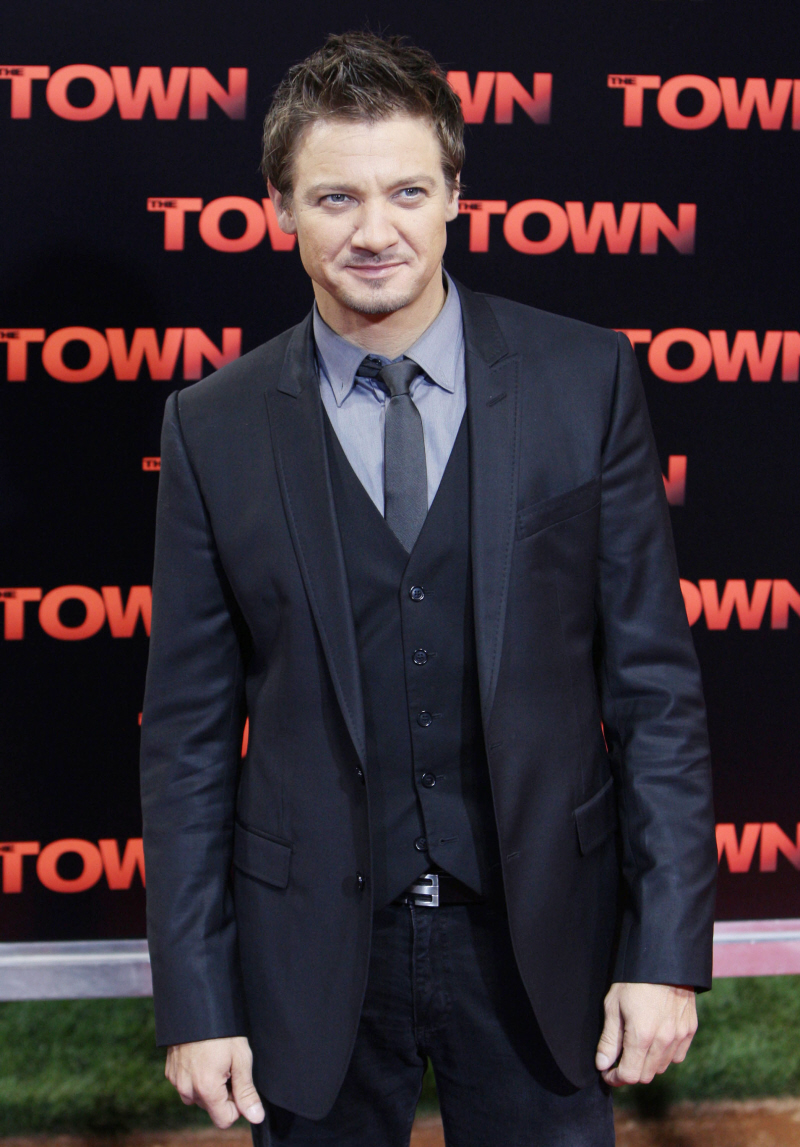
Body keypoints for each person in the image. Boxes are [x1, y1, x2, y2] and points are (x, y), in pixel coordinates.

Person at [140, 30, 717, 1147]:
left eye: (406, 190)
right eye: (335, 197)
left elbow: (655, 691)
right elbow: (187, 743)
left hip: (541, 941)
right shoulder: (210, 427)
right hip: (309, 954)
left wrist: (663, 953)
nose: (375, 230)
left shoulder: (584, 380)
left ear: (455, 193)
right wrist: (198, 1001)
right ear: (278, 207)